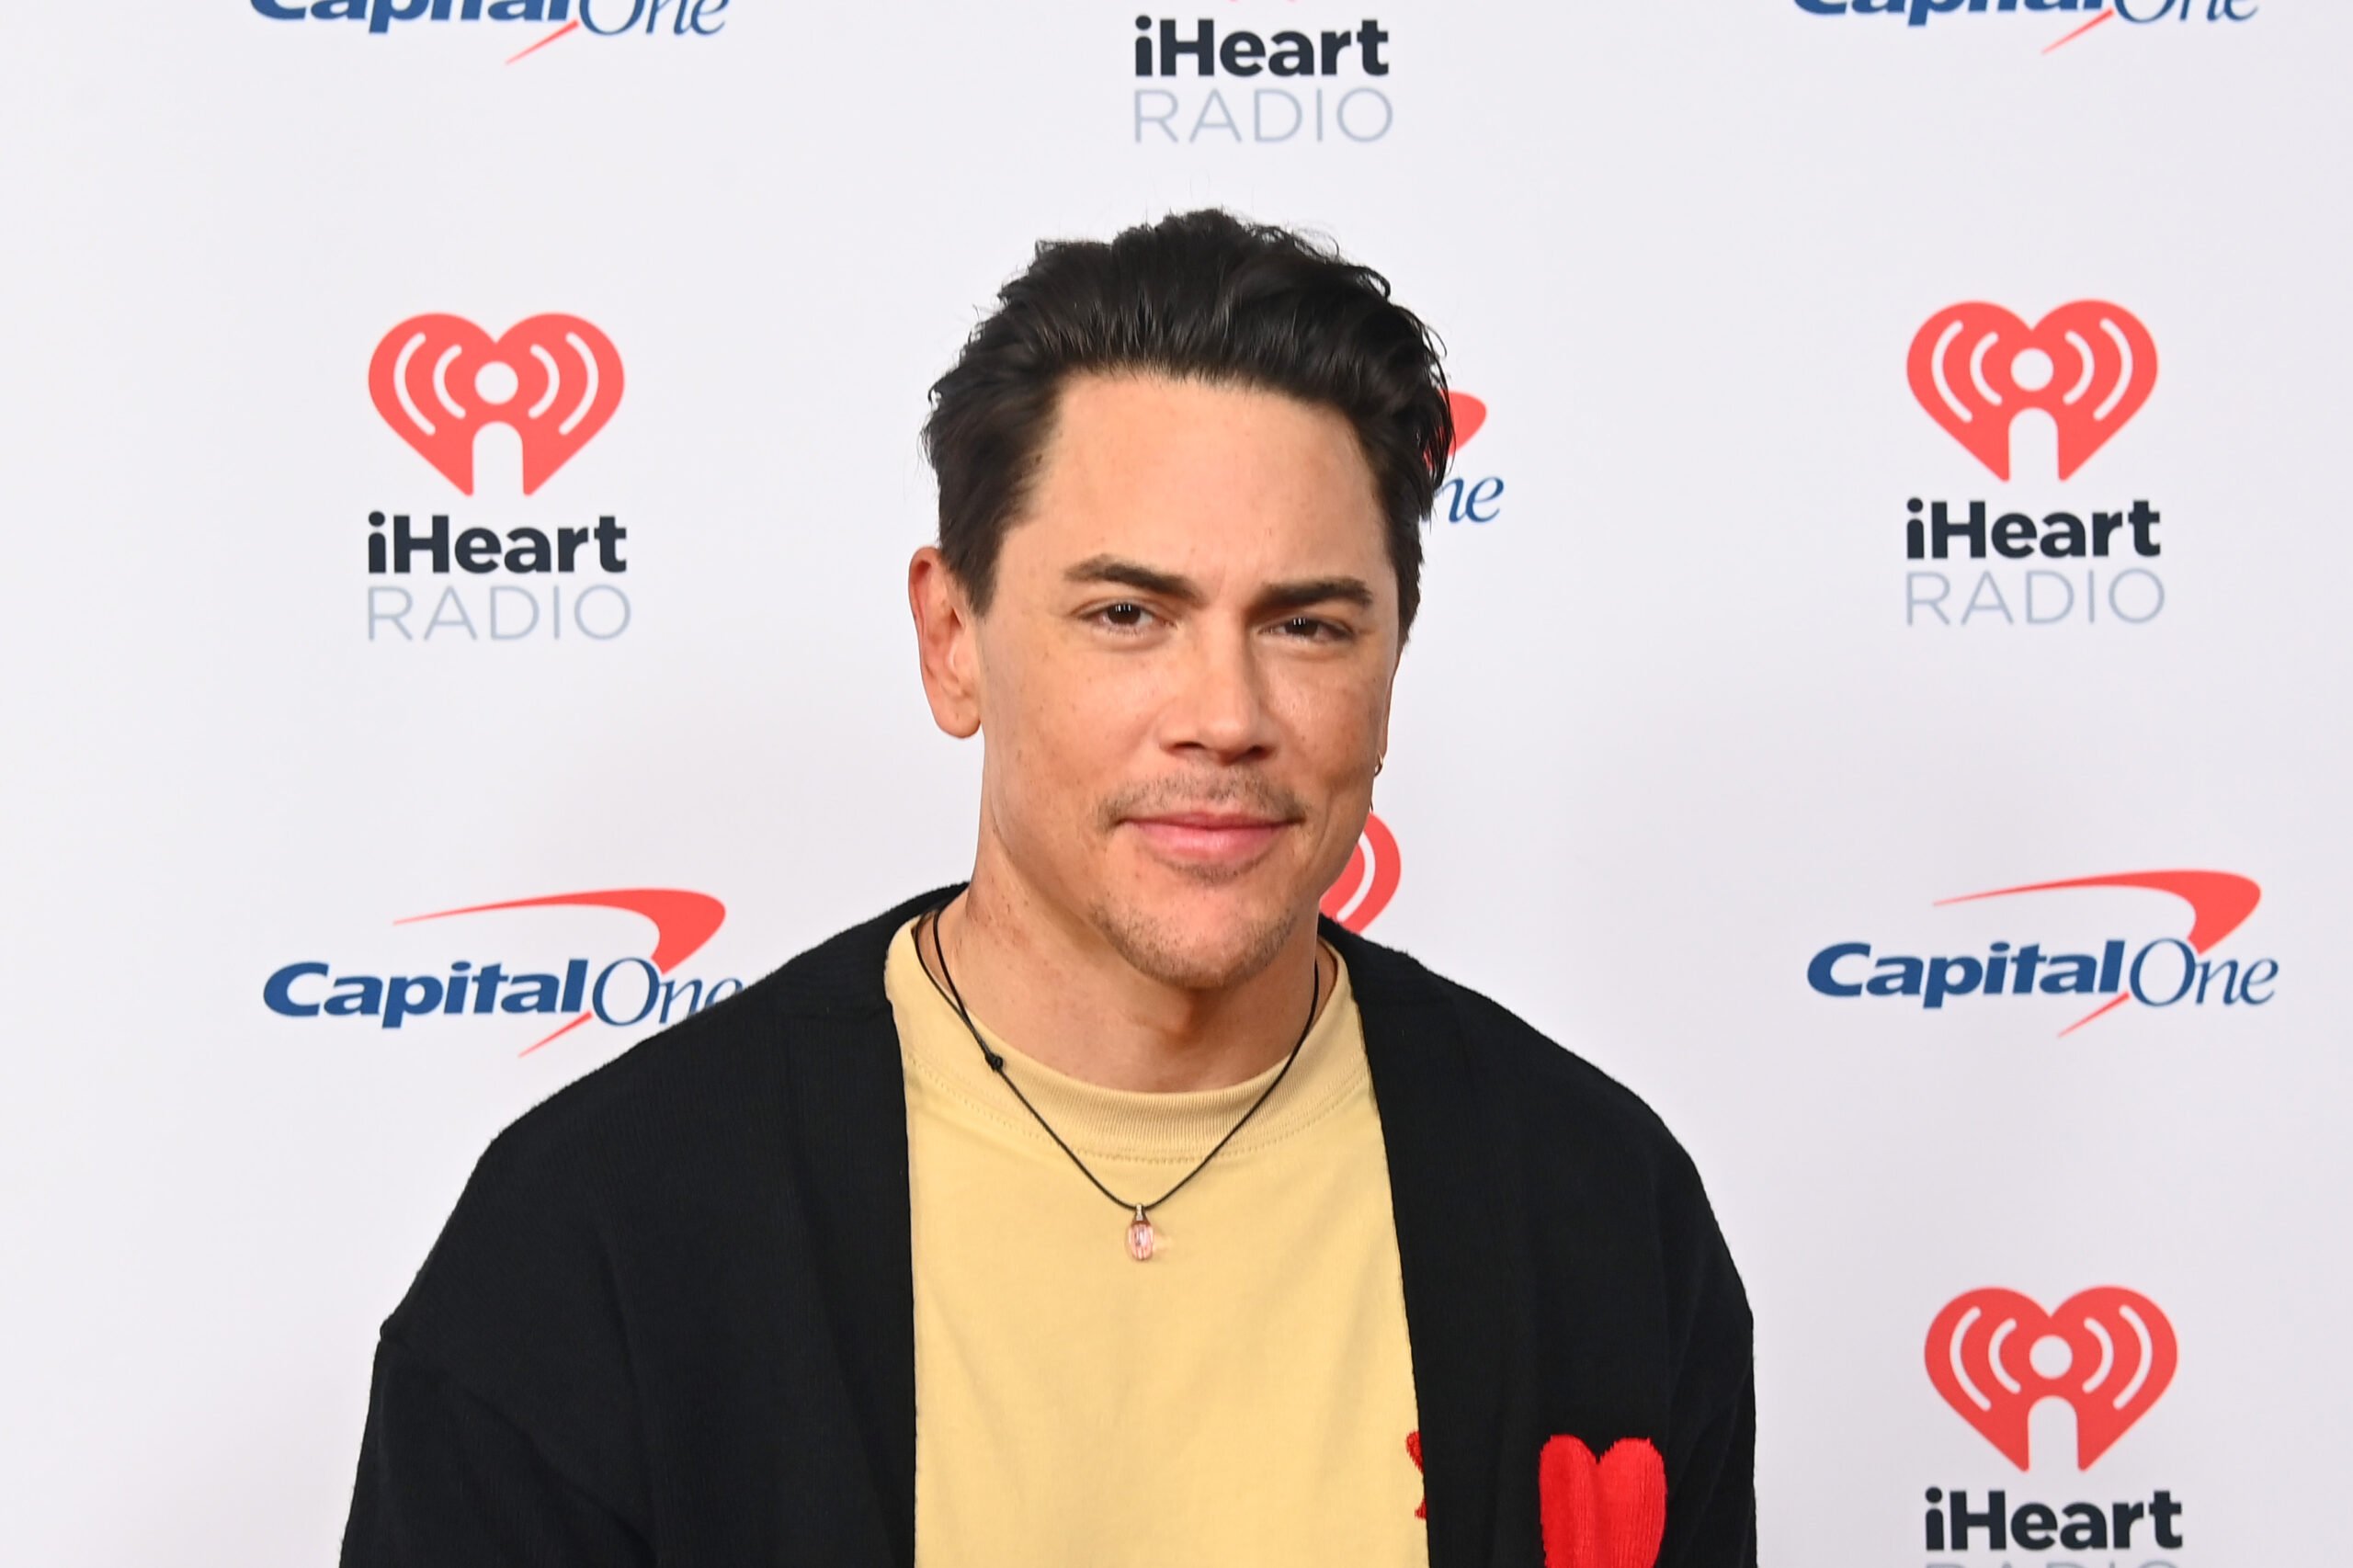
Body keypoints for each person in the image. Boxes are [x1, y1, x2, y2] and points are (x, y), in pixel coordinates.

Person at [338, 209, 1756, 1567]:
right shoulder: (597, 1237)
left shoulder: (1599, 1206)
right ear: (953, 639)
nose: (1226, 713)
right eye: (1128, 615)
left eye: (1309, 623)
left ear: (1393, 662)